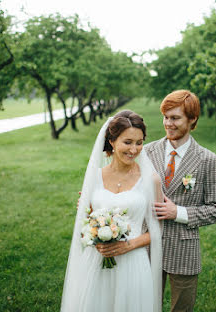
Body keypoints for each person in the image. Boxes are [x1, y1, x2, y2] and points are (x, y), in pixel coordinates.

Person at [60, 110, 163, 312]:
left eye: (139, 142)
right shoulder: (94, 177)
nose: (134, 149)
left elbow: (157, 230)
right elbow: (85, 225)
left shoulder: (151, 180)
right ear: (112, 141)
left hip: (133, 262)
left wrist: (127, 246)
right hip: (96, 261)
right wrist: (91, 224)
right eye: (128, 142)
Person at [144, 90, 216, 311]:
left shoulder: (208, 160)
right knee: (143, 305)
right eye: (165, 117)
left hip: (184, 249)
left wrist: (178, 212)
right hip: (147, 245)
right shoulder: (146, 152)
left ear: (192, 120)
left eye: (175, 118)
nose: (168, 123)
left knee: (182, 308)